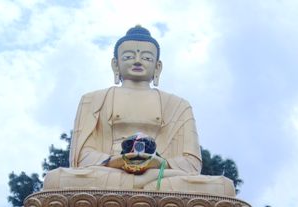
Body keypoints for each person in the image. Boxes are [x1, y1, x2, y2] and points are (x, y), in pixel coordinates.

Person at [43, 26, 235, 196]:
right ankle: (143, 187)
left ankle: (138, 187)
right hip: (110, 172)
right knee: (55, 179)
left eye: (146, 58)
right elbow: (82, 157)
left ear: (157, 67)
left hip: (160, 174)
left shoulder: (178, 104)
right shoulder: (93, 100)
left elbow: (191, 164)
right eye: (128, 57)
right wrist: (118, 161)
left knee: (224, 187)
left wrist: (156, 163)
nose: (137, 61)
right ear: (115, 64)